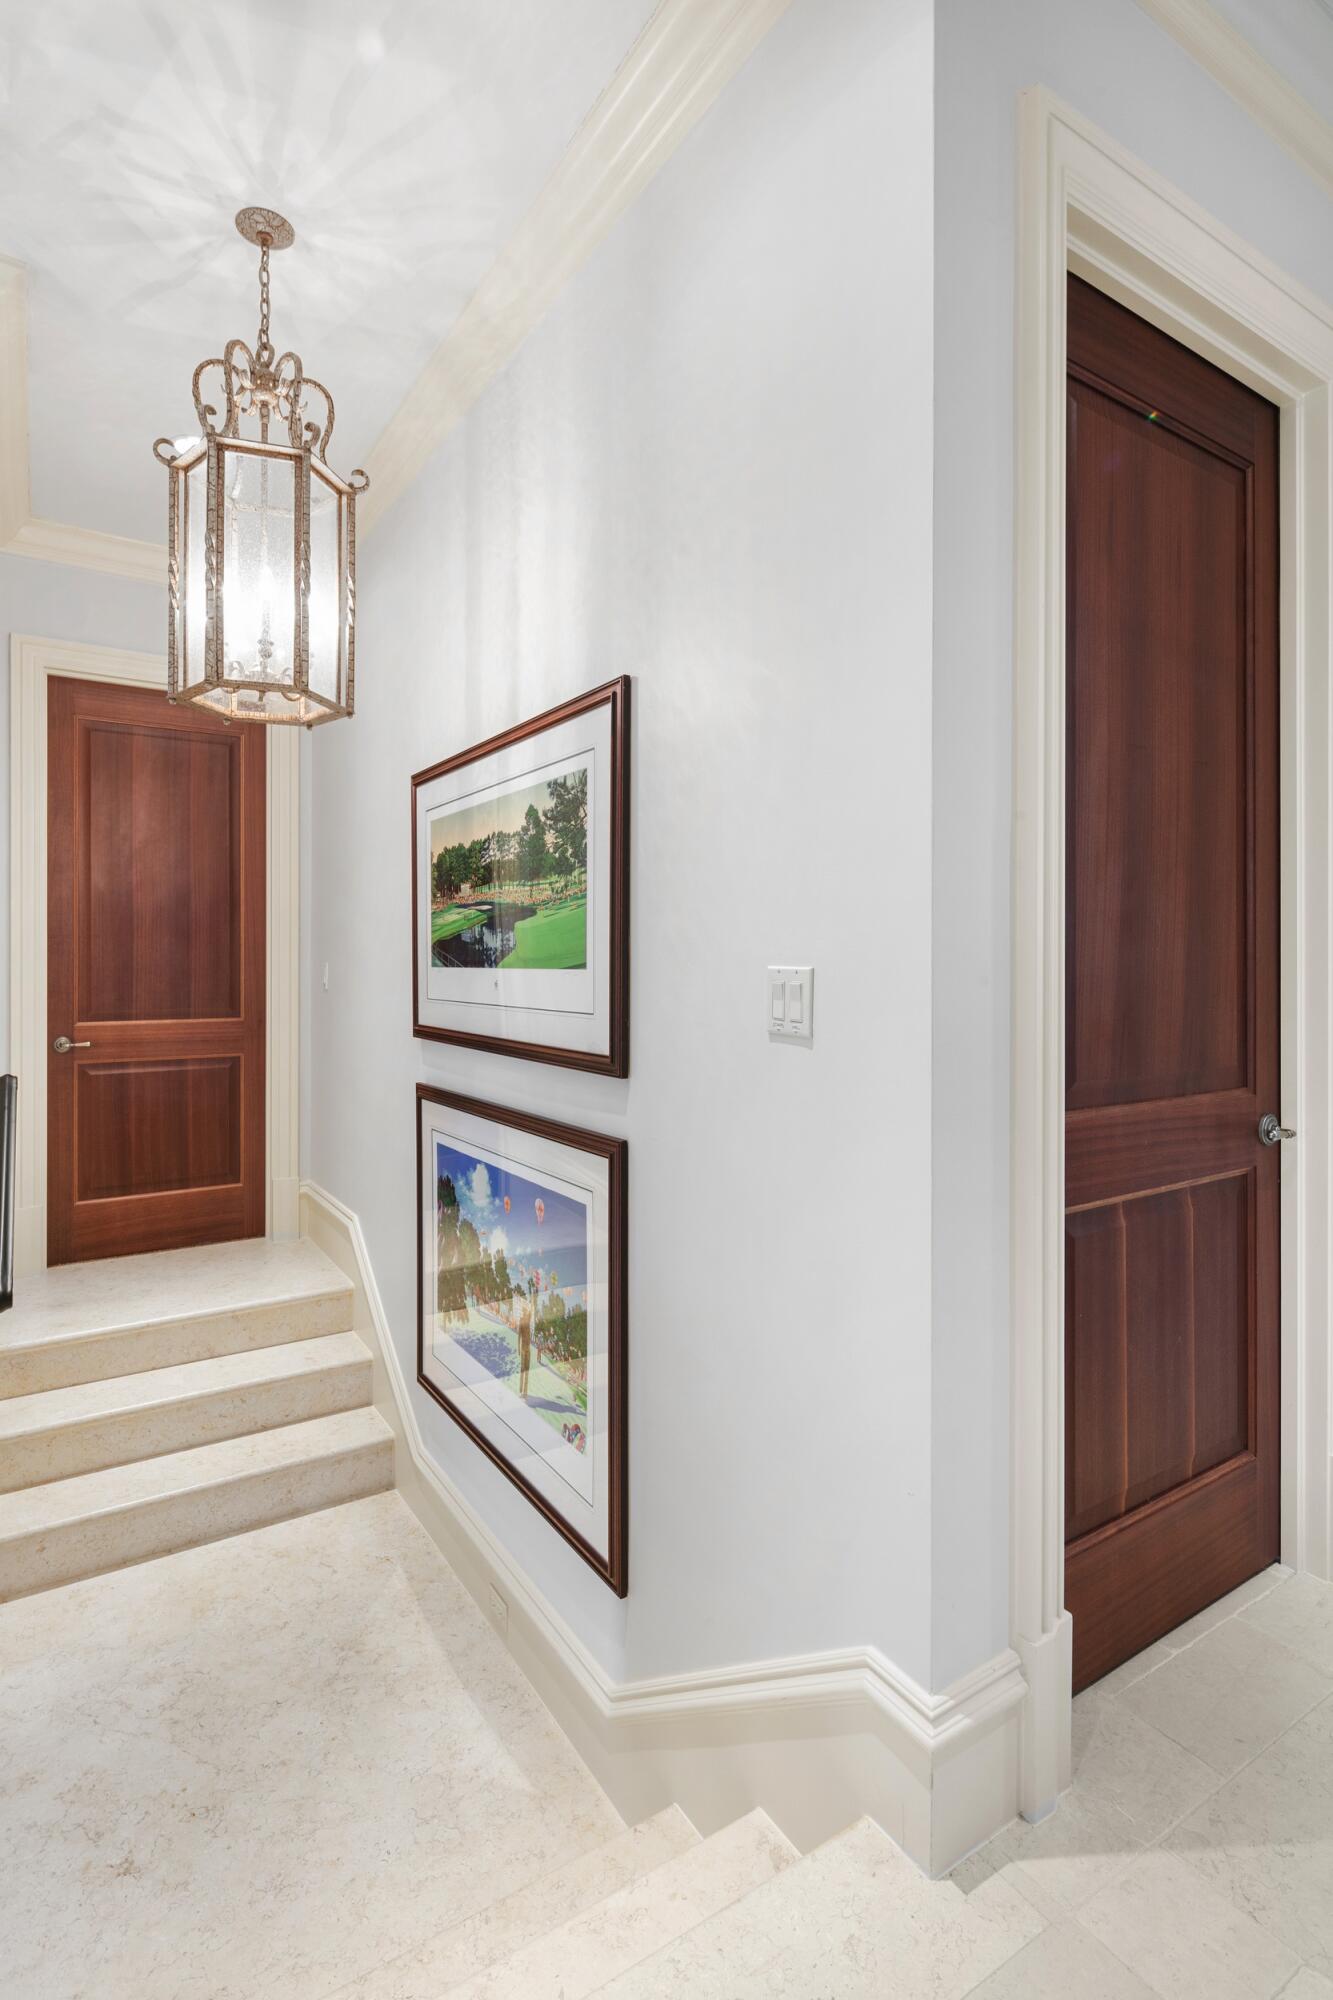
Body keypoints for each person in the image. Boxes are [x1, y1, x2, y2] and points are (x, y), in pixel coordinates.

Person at [518, 1303, 532, 1400]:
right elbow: (519, 1335)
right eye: (525, 1310)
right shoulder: (522, 1320)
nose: (526, 1312)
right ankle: (521, 1391)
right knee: (523, 1370)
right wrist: (518, 1348)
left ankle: (525, 1392)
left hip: (528, 1348)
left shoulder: (528, 1319)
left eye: (526, 1310)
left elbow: (532, 1308)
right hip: (523, 1348)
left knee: (527, 1370)